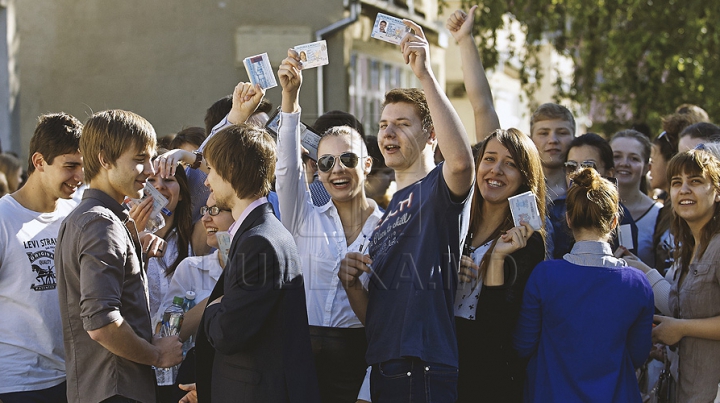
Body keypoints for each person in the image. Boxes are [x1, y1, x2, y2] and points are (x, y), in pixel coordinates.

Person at [339, 18, 475, 402]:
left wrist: (426, 74)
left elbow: (463, 163)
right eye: (383, 125)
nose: (387, 133)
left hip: (423, 364)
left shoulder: (438, 188)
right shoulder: (387, 212)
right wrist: (351, 285)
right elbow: (376, 319)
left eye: (402, 124)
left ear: (431, 135)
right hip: (384, 364)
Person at [275, 49, 384, 403]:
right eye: (326, 162)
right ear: (318, 170)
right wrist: (289, 99)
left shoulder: (388, 227)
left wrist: (368, 392)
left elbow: (387, 321)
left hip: (359, 361)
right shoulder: (302, 214)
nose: (337, 169)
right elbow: (287, 169)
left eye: (348, 159)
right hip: (302, 359)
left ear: (367, 164)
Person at [55, 109, 183, 403]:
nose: (151, 170)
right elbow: (101, 323)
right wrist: (156, 355)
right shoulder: (100, 224)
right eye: (140, 160)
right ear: (104, 159)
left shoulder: (86, 219)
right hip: (115, 389)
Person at [190, 123, 319, 403]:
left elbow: (228, 332)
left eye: (211, 170)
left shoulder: (258, 242)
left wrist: (213, 309)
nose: (206, 181)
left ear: (231, 170)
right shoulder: (259, 233)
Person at [514, 167, 654, 402]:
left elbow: (523, 345)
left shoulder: (545, 276)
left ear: (568, 219)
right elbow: (637, 355)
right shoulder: (637, 284)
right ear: (614, 222)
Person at [454, 128, 546, 402]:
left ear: (524, 178)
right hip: (436, 365)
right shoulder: (454, 222)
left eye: (510, 164)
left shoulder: (527, 242)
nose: (496, 170)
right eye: (489, 159)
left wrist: (496, 260)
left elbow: (496, 333)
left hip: (486, 379)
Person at [0, 113, 83, 403]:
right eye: (70, 166)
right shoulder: (3, 219)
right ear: (39, 162)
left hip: (71, 377)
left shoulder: (75, 214)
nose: (79, 177)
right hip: (17, 384)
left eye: (83, 167)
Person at [646, 149, 720, 402]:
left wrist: (681, 329)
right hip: (684, 389)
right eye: (677, 183)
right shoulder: (688, 249)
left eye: (696, 181)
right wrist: (644, 273)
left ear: (717, 191)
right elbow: (685, 308)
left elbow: (684, 324)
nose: (684, 189)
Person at [549, 133, 639, 258]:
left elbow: (629, 258)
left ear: (609, 173)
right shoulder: (553, 211)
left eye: (589, 167)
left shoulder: (623, 218)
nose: (578, 173)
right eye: (571, 167)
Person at [129, 152, 193, 321]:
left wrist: (185, 155)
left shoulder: (195, 236)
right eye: (151, 181)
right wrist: (133, 236)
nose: (159, 187)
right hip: (137, 342)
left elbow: (231, 184)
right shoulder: (120, 232)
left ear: (181, 195)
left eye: (169, 180)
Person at [610, 130, 662, 267]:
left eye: (634, 158)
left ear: (647, 168)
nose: (624, 163)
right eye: (617, 156)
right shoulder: (590, 208)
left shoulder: (659, 215)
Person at [529, 103, 576, 201]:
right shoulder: (516, 188)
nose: (553, 140)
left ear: (574, 139)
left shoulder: (586, 191)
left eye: (562, 133)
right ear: (530, 140)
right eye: (544, 133)